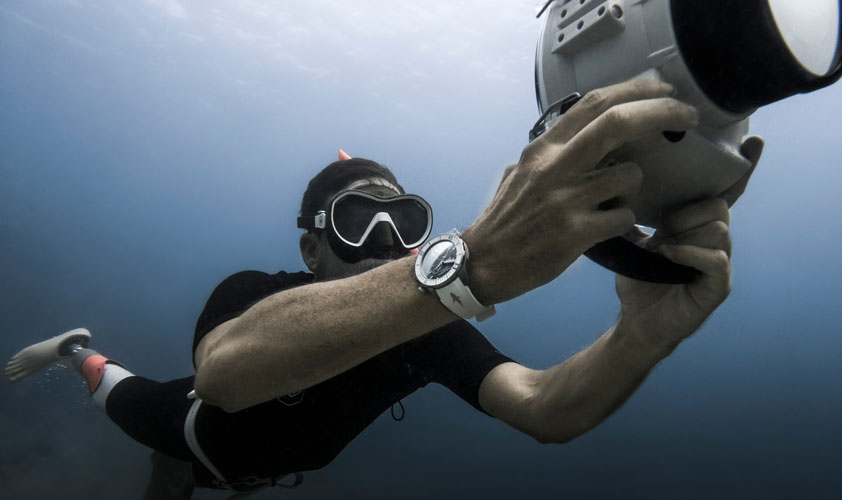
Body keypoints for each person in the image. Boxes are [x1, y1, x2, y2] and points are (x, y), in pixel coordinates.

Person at [5, 80, 763, 498]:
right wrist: (470, 264)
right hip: (185, 427)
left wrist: (644, 334)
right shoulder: (256, 291)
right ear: (312, 244)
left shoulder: (428, 331)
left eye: (403, 219)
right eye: (359, 218)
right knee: (113, 387)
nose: (387, 241)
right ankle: (72, 347)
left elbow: (546, 410)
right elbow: (226, 375)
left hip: (257, 467)